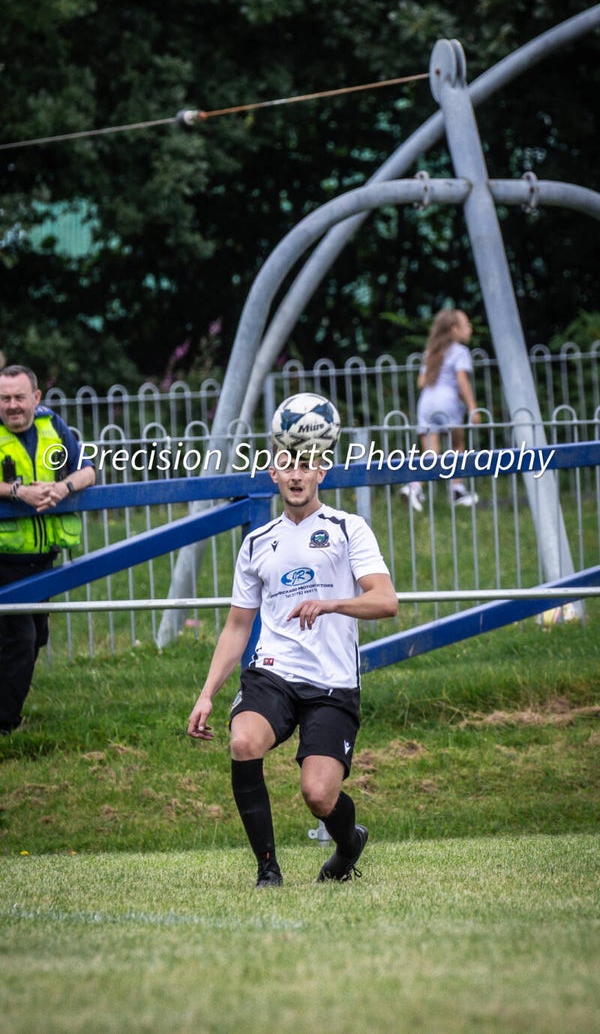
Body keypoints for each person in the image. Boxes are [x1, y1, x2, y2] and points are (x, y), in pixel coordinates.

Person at [187, 449, 398, 887]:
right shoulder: (257, 541)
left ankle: (348, 844)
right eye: (287, 466)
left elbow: (386, 601)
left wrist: (331, 603)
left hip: (332, 680)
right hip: (273, 671)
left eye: (306, 466)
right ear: (274, 474)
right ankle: (268, 870)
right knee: (244, 742)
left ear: (321, 471)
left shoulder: (348, 528)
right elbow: (237, 627)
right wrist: (207, 693)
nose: (296, 475)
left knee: (319, 795)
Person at [0, 364, 96, 733]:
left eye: (18, 397)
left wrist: (63, 488)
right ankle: (5, 725)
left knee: (35, 638)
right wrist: (16, 492)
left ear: (35, 398)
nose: (12, 406)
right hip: (5, 559)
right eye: (4, 398)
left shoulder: (52, 425)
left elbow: (87, 470)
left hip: (43, 558)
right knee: (20, 640)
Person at [401, 308, 481, 512]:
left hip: (427, 402)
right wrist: (472, 406)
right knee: (457, 447)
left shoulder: (431, 352)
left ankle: (415, 487)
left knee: (430, 453)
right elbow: (461, 380)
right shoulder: (460, 352)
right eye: (467, 324)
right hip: (447, 401)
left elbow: (421, 381)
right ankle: (457, 489)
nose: (470, 328)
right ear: (455, 329)